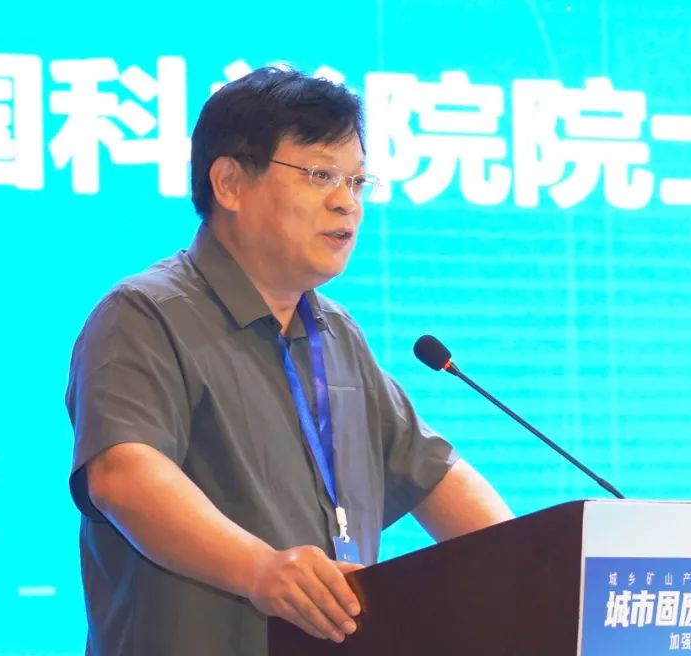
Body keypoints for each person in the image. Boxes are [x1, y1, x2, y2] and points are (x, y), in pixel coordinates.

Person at [65, 66, 513, 656]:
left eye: (357, 181)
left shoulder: (336, 334)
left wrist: (541, 571)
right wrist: (261, 570)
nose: (346, 203)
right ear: (229, 182)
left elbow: (434, 475)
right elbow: (122, 476)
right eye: (320, 175)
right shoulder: (146, 315)